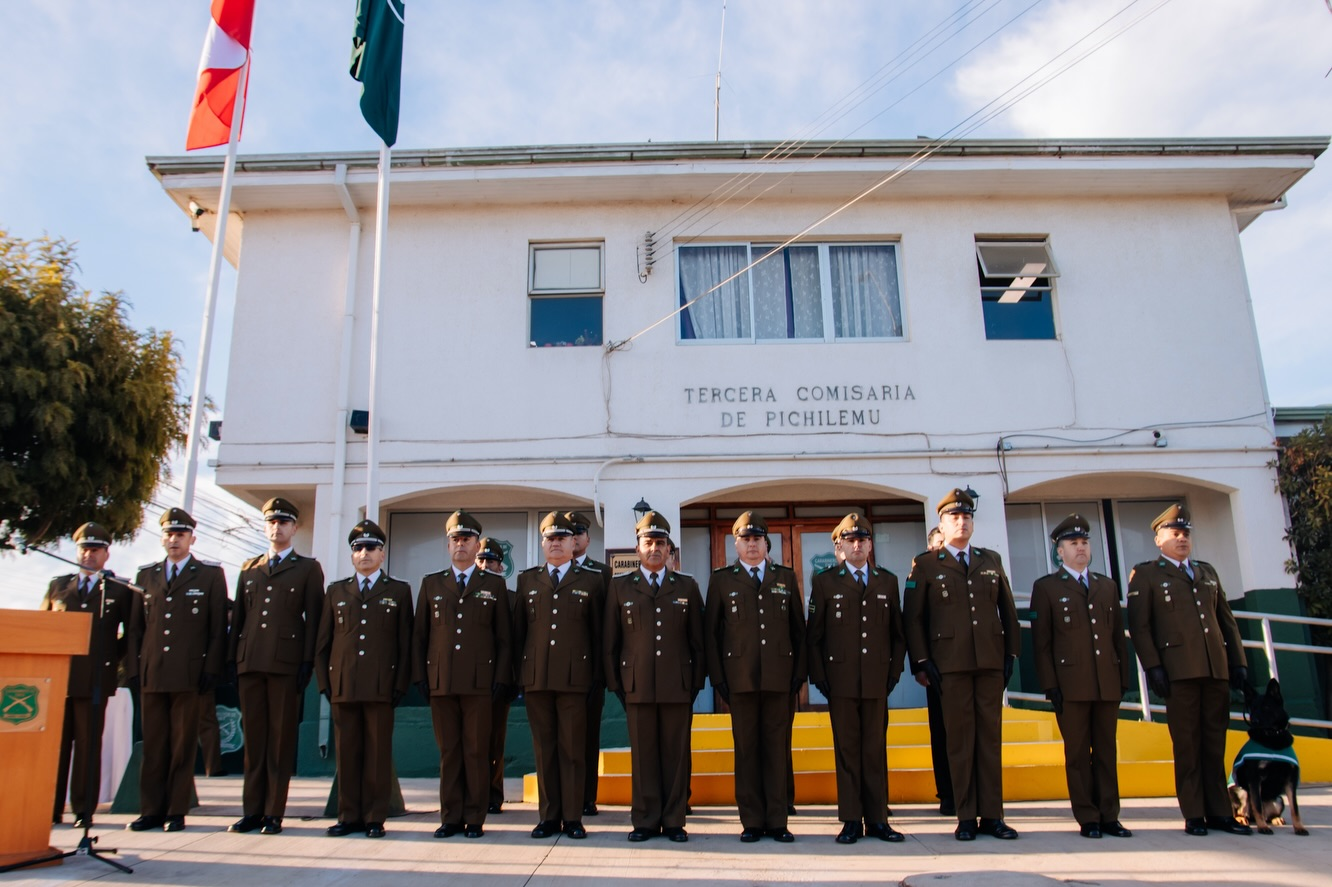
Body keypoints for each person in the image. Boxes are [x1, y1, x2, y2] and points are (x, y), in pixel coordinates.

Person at [1127, 503, 1250, 837]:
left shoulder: (1206, 572)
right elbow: (1140, 627)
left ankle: (1220, 812)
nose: (1181, 539)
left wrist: (1238, 661)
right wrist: (1153, 667)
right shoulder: (1147, 574)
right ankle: (1194, 813)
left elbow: (1226, 620)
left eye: (1185, 534)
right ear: (1158, 540)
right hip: (1178, 672)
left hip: (1214, 668)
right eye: (1174, 533)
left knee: (1214, 743)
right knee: (1187, 745)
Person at [904, 488, 1020, 842]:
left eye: (967, 516)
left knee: (989, 740)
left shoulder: (990, 559)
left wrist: (1011, 655)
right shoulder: (926, 564)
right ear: (941, 524)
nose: (962, 522)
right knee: (959, 740)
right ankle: (966, 815)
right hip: (949, 665)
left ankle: (993, 815)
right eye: (954, 517)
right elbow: (913, 618)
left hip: (989, 661)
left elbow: (1008, 611)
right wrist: (922, 661)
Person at [604, 511, 706, 843]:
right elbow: (611, 642)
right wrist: (617, 684)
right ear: (637, 548)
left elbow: (698, 642)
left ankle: (674, 820)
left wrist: (694, 683)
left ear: (669, 550)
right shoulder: (620, 587)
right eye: (648, 542)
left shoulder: (686, 586)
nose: (655, 548)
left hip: (678, 685)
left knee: (676, 756)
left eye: (661, 543)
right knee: (644, 756)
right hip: (637, 686)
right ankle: (645, 820)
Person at [705, 511, 805, 843]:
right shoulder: (722, 580)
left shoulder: (785, 577)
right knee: (747, 751)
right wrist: (718, 679)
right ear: (735, 544)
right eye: (745, 539)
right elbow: (711, 634)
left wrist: (798, 675)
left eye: (757, 539)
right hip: (740, 680)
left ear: (766, 543)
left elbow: (798, 631)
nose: (751, 545)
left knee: (777, 750)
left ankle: (777, 820)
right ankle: (750, 820)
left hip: (779, 680)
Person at [1030, 514, 1132, 839]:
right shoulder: (1046, 588)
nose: (1080, 548)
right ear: (1059, 551)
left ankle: (1110, 815)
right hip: (1070, 685)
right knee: (1077, 753)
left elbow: (1117, 638)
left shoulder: (1107, 585)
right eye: (1073, 543)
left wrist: (1123, 679)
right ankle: (1088, 816)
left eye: (1084, 542)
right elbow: (1042, 643)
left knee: (1106, 751)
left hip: (1106, 682)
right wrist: (1050, 685)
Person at [807, 513, 906, 844]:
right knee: (847, 751)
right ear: (841, 547)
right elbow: (815, 636)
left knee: (875, 750)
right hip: (841, 681)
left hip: (877, 679)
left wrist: (894, 672)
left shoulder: (887, 581)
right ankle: (851, 819)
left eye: (863, 540)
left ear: (870, 545)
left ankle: (877, 819)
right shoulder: (825, 582)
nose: (858, 546)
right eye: (851, 541)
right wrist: (820, 677)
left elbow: (898, 635)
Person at [228, 497, 325, 835]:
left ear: (294, 528)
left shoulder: (307, 568)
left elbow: (314, 619)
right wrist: (233, 659)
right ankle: (251, 811)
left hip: (286, 663)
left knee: (280, 740)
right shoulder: (249, 568)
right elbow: (239, 618)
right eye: (272, 522)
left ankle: (273, 812)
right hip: (250, 661)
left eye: (283, 522)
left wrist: (307, 661)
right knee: (254, 740)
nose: (277, 528)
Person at [413, 511, 513, 839]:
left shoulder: (493, 585)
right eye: (455, 539)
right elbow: (420, 636)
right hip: (441, 681)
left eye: (467, 539)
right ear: (448, 545)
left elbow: (503, 638)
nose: (460, 545)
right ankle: (450, 817)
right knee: (450, 752)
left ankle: (474, 817)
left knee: (476, 751)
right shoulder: (431, 584)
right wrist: (421, 678)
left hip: (480, 684)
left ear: (476, 544)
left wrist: (501, 679)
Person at [127, 508, 228, 832]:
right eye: (169, 534)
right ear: (162, 539)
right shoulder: (146, 576)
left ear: (191, 539)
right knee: (153, 744)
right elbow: (135, 630)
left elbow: (216, 629)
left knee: (182, 746)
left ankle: (175, 811)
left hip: (189, 674)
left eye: (180, 535)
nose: (174, 540)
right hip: (153, 673)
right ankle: (150, 810)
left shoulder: (209, 575)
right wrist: (133, 669)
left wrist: (211, 668)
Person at [316, 519, 413, 839]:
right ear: (352, 555)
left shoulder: (398, 591)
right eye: (358, 548)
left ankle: (374, 817)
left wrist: (399, 685)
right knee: (347, 754)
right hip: (343, 685)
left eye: (371, 548)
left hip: (381, 686)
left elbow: (405, 643)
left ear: (382, 554)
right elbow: (324, 643)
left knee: (377, 755)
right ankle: (348, 816)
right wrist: (325, 684)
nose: (365, 553)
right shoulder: (336, 591)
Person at [513, 511, 604, 839]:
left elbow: (598, 635)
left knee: (572, 749)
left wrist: (596, 678)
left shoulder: (591, 580)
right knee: (545, 750)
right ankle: (549, 817)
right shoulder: (527, 580)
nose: (555, 544)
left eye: (562, 538)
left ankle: (573, 817)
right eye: (550, 538)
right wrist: (519, 677)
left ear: (572, 543)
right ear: (542, 543)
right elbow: (519, 632)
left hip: (575, 680)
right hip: (537, 678)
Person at [41, 521, 135, 829]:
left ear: (106, 554)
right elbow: (43, 627)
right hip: (59, 678)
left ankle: (83, 809)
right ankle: (51, 807)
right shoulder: (58, 586)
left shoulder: (118, 589)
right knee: (55, 746)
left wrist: (108, 659)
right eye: (84, 549)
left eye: (95, 550)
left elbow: (130, 634)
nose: (88, 555)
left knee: (87, 746)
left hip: (95, 679)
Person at [567, 510, 611, 817]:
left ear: (587, 539)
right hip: (560, 670)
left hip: (591, 670)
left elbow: (607, 626)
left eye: (579, 532)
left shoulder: (601, 573)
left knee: (588, 736)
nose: (574, 538)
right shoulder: (551, 572)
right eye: (568, 533)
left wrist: (602, 672)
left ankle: (586, 797)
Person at [476, 536, 515, 814]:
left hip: (499, 681)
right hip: (470, 680)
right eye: (481, 559)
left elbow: (515, 640)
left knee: (494, 742)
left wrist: (510, 679)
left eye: (491, 561)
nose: (485, 565)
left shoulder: (512, 598)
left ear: (501, 567)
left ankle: (493, 794)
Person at [918, 525, 953, 815]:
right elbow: (913, 621)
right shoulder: (922, 571)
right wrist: (920, 664)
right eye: (939, 543)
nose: (943, 547)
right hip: (936, 668)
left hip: (965, 664)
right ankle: (947, 793)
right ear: (930, 547)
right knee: (941, 732)